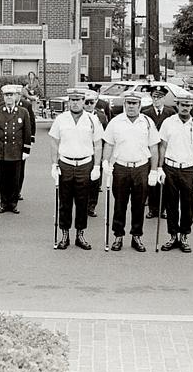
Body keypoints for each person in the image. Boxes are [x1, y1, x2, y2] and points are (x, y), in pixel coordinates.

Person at [101, 91, 160, 252]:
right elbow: (109, 145)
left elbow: (154, 148)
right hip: (121, 167)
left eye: (135, 103)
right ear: (125, 104)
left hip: (141, 167)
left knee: (139, 204)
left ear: (140, 105)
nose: (131, 106)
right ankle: (118, 236)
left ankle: (136, 236)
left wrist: (154, 170)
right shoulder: (115, 122)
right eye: (129, 103)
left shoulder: (147, 122)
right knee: (120, 203)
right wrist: (105, 161)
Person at [48, 88, 103, 250]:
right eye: (72, 100)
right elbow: (53, 142)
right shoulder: (61, 119)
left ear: (83, 102)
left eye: (78, 100)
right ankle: (64, 235)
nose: (75, 103)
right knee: (64, 202)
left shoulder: (92, 120)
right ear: (68, 102)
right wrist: (54, 164)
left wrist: (97, 166)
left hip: (85, 164)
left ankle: (80, 234)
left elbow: (98, 144)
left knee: (82, 201)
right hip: (65, 163)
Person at [157, 95, 193, 253]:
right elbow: (162, 147)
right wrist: (160, 167)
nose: (185, 108)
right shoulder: (168, 123)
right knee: (171, 204)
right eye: (182, 105)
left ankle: (184, 235)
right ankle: (173, 235)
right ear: (177, 105)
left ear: (192, 107)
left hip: (188, 168)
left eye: (188, 105)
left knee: (187, 204)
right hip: (170, 167)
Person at [0, 84, 32, 214]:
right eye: (6, 95)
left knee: (15, 179)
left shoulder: (23, 112)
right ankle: (3, 202)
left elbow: (27, 132)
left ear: (15, 97)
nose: (9, 98)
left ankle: (13, 204)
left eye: (11, 95)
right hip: (2, 151)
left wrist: (26, 150)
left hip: (16, 151)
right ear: (4, 97)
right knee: (3, 179)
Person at [142, 85, 176, 219]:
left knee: (165, 181)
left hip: (165, 149)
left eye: (159, 97)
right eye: (154, 97)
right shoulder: (145, 112)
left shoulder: (171, 112)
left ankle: (164, 209)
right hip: (150, 150)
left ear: (164, 98)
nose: (156, 99)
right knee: (151, 180)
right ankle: (152, 208)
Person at [83, 89, 109, 218]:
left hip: (96, 152)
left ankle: (91, 206)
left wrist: (105, 156)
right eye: (86, 102)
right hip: (82, 152)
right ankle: (81, 204)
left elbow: (106, 137)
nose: (88, 105)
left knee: (95, 182)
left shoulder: (101, 116)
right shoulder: (78, 115)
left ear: (95, 103)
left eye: (91, 102)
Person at [16, 86, 37, 201]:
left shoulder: (26, 105)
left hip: (22, 141)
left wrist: (31, 138)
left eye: (18, 94)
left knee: (20, 168)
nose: (16, 96)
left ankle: (18, 191)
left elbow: (31, 122)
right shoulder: (3, 105)